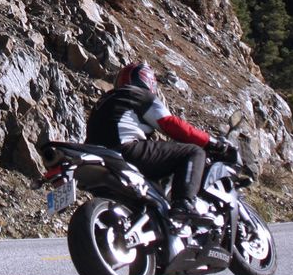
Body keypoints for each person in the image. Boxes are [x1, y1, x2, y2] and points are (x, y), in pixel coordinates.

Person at [84, 60, 235, 225]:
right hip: (126, 151)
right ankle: (183, 204)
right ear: (147, 80)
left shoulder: (104, 100)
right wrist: (211, 142)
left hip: (98, 157)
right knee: (193, 152)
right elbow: (170, 124)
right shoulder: (139, 94)